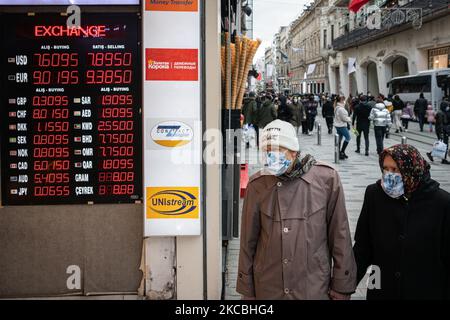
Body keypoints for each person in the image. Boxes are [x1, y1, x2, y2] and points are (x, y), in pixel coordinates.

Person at [237, 119, 357, 300]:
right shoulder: (257, 185)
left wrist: (342, 286)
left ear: (293, 151)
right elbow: (248, 242)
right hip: (269, 288)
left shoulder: (326, 179)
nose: (271, 157)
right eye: (267, 151)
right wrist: (247, 290)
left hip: (313, 287)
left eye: (277, 150)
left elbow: (340, 235)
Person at [353, 144, 450, 299]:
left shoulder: (442, 203)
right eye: (385, 168)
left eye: (395, 169)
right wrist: (344, 287)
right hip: (381, 289)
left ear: (412, 169)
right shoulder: (374, 194)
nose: (389, 175)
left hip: (426, 291)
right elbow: (363, 248)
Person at [427, 97, 450, 164]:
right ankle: (443, 159)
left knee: (442, 145)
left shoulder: (443, 112)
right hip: (442, 131)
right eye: (447, 106)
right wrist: (441, 133)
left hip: (443, 131)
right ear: (444, 106)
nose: (448, 107)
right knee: (444, 145)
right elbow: (440, 124)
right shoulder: (440, 113)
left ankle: (431, 154)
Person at [334, 95, 352, 160]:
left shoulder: (337, 107)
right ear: (341, 100)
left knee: (339, 139)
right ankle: (342, 151)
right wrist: (350, 119)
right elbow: (344, 118)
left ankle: (339, 153)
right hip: (341, 125)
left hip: (338, 125)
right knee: (348, 137)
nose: (344, 101)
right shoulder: (341, 109)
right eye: (343, 100)